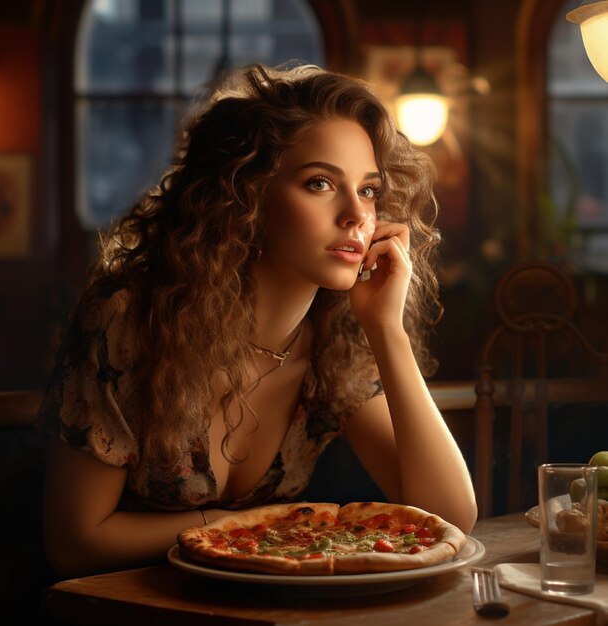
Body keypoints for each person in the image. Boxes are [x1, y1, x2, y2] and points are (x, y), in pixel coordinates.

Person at [38, 63, 477, 578]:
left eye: (369, 190)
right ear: (246, 195)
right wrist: (249, 525)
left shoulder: (336, 346)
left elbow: (449, 518)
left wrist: (387, 331)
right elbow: (74, 542)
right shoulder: (129, 321)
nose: (357, 215)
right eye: (320, 183)